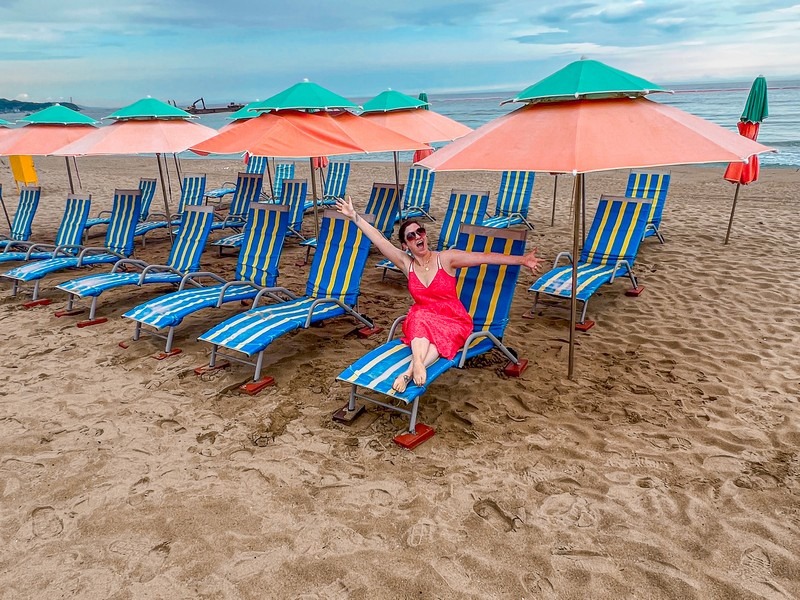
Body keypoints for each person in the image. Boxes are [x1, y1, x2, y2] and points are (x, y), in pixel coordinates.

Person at [336, 196, 544, 393]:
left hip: (452, 319)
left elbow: (483, 257)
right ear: (405, 245)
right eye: (411, 236)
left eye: (421, 232)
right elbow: (379, 240)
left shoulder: (445, 259)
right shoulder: (406, 265)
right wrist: (354, 216)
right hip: (424, 320)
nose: (418, 236)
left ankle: (409, 372)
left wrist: (522, 260)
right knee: (418, 316)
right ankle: (417, 365)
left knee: (426, 325)